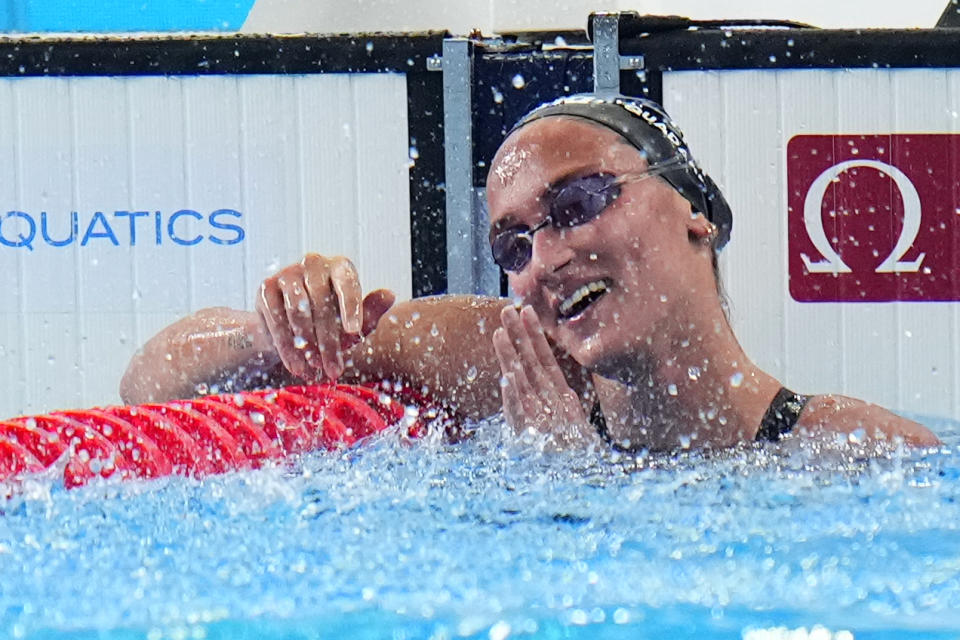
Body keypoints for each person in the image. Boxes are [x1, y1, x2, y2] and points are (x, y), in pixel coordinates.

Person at [120, 94, 939, 451]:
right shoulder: (489, 358)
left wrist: (573, 484)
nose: (544, 257)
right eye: (513, 245)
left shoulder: (851, 451)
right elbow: (151, 386)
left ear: (697, 213)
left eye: (580, 200)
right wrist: (275, 330)